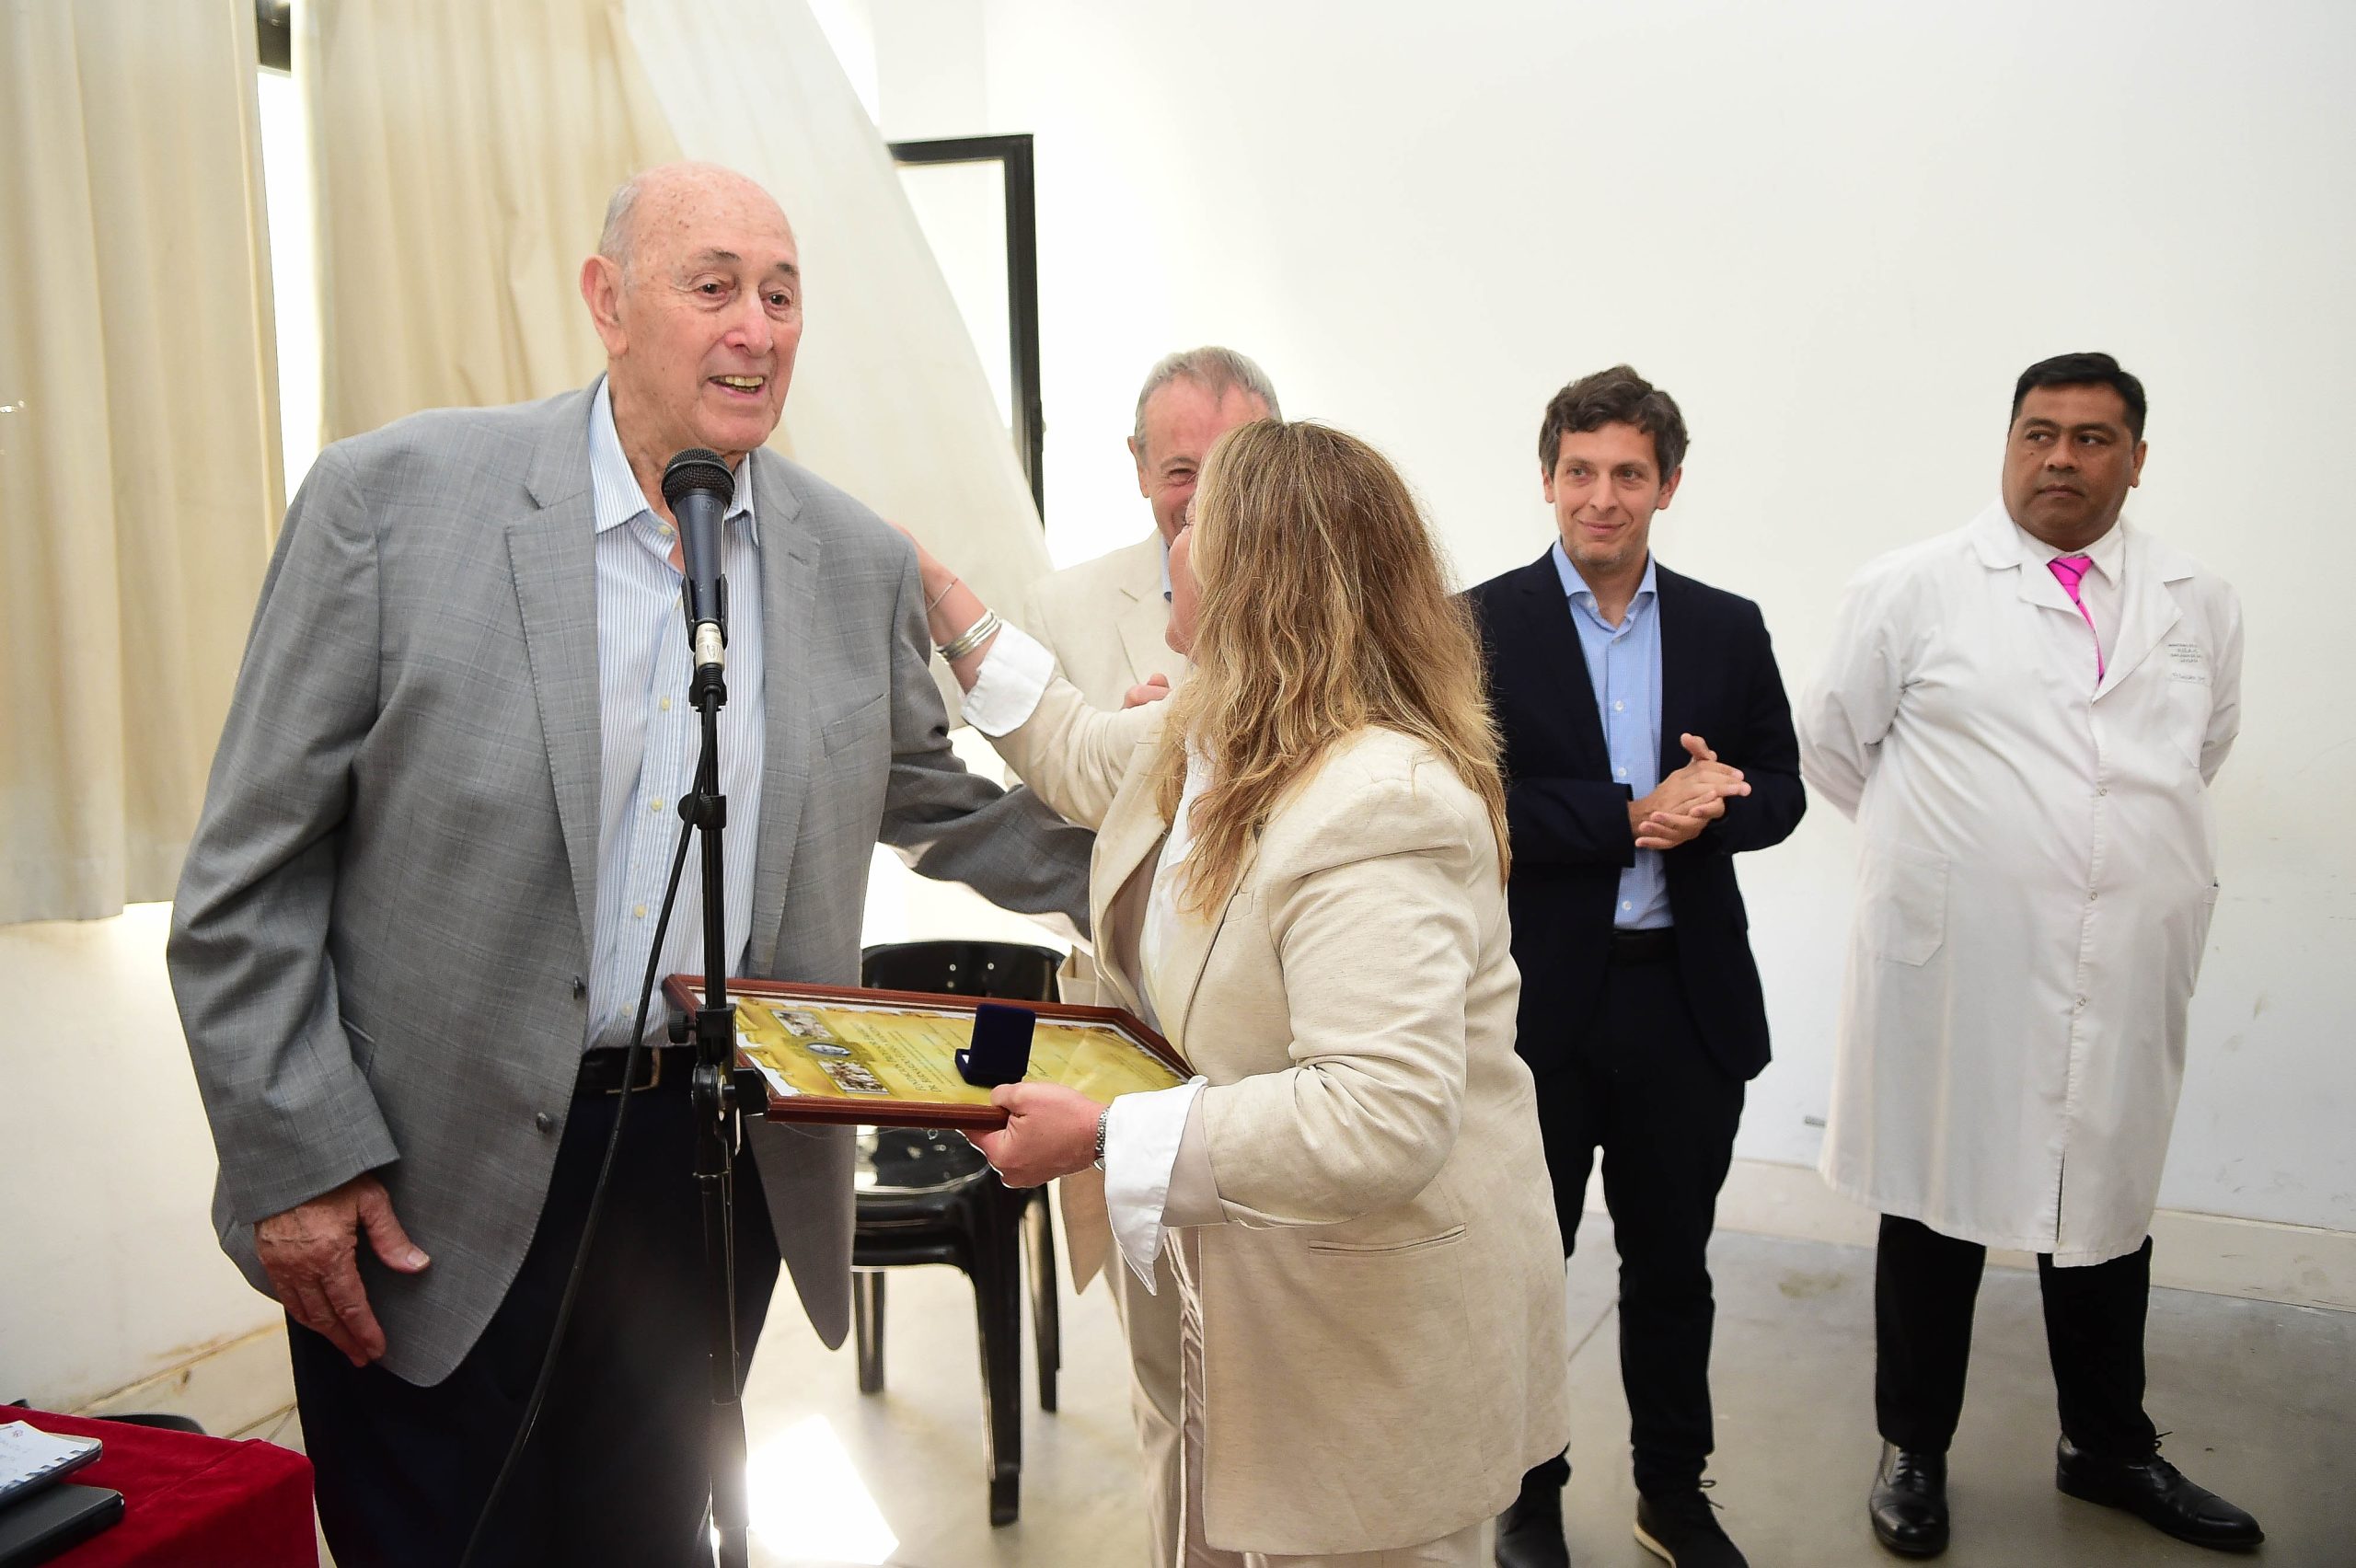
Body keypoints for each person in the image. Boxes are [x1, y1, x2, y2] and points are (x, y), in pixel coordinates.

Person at [165, 161, 1090, 1567]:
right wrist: (297, 1162)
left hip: (702, 1174)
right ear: (608, 301)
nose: (756, 328)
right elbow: (247, 876)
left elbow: (940, 803)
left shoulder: (850, 560)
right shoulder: (393, 503)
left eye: (781, 295)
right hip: (424, 1172)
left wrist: (1180, 868)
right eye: (713, 286)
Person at [911, 419, 1571, 1567]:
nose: (1171, 533)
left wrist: (1106, 1135)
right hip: (1231, 1287)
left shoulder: (1380, 801)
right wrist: (938, 593)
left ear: (1255, 574)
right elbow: (1069, 746)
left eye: (1196, 518)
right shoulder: (1212, 723)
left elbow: (1378, 1115)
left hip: (1361, 1336)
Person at [1799, 352, 2261, 1557]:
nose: (2061, 458)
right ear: (2007, 444)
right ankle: (1913, 1448)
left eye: (2091, 439)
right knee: (1935, 1203)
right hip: (1960, 965)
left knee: (2102, 1205)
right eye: (2038, 433)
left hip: (2123, 960)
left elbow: (2197, 750)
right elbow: (1836, 749)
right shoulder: (1911, 588)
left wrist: (2092, 867)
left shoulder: (2198, 600)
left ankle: (2107, 1445)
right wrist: (1975, 861)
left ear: (2136, 460)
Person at [1466, 366, 1804, 1568]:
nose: (1600, 497)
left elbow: (1783, 787)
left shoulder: (1726, 625)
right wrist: (1627, 816)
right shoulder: (1474, 626)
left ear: (1668, 485)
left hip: (1683, 1000)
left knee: (1673, 1268)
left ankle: (1673, 1492)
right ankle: (1527, 1498)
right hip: (1534, 1006)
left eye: (1627, 473)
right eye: (1579, 471)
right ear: (1546, 478)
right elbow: (1467, 803)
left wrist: (1723, 798)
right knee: (1525, 1269)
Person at [1010, 343, 1276, 1568]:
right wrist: (1143, 772)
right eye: (1181, 471)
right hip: (1126, 1050)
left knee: (1287, 1386)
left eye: (1233, 466)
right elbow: (1043, 804)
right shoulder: (1063, 610)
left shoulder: (1334, 605)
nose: (1205, 497)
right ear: (1134, 469)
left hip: (1280, 1071)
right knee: (1174, 1386)